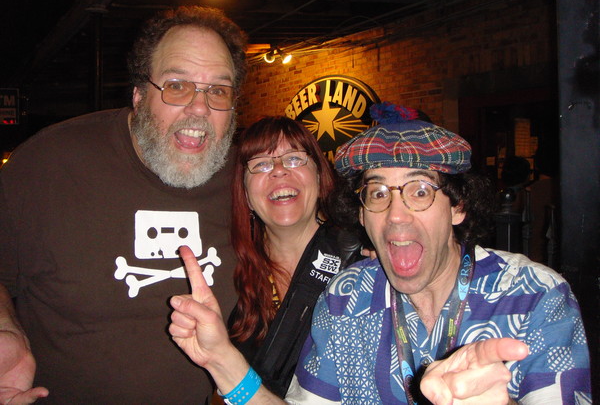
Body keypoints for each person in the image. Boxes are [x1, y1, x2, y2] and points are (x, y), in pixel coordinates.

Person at [168, 103, 591, 404]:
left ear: (458, 205)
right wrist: (220, 359)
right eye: (377, 193)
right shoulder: (346, 298)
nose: (396, 216)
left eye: (420, 191)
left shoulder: (536, 296)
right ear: (362, 214)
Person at [0, 5, 247, 403]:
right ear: (137, 94)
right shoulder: (49, 162)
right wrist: (4, 327)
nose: (200, 108)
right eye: (177, 85)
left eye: (218, 90)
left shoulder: (247, 179)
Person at [192, 116, 363, 400]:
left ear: (320, 177)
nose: (279, 171)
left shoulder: (361, 262)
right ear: (245, 194)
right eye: (260, 164)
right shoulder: (225, 274)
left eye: (295, 159)